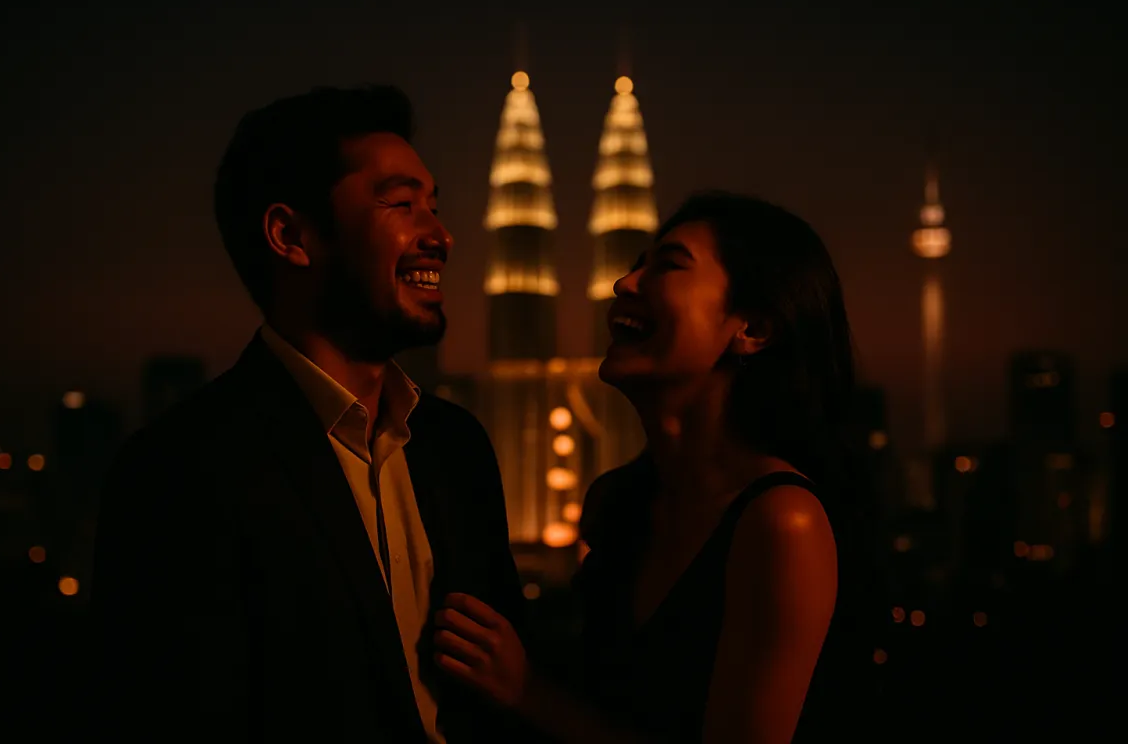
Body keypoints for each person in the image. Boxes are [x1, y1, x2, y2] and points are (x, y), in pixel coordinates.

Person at [91, 86, 526, 743]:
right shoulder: (183, 470)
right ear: (291, 236)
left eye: (434, 206)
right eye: (403, 204)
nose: (440, 235)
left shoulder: (456, 448)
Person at [433, 192, 878, 742]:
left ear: (753, 329)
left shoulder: (782, 522)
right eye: (636, 263)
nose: (624, 283)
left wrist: (530, 695)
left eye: (667, 265)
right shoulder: (618, 505)